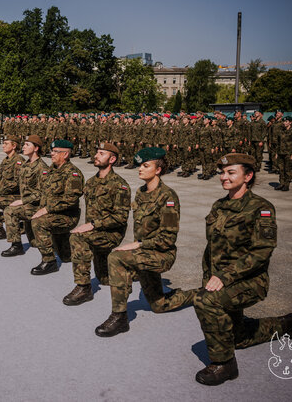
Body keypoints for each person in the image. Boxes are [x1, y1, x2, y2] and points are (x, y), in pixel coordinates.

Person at [192, 153, 292, 385]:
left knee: (204, 301)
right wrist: (209, 277)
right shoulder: (219, 205)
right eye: (222, 172)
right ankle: (285, 324)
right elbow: (212, 249)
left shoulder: (261, 208)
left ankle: (225, 364)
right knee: (238, 337)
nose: (224, 177)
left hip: (249, 281)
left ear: (248, 176)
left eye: (231, 172)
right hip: (221, 281)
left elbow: (262, 251)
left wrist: (223, 276)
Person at [95, 147, 192, 337]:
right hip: (146, 253)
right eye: (140, 165)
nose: (140, 169)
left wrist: (137, 245)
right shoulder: (140, 192)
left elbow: (168, 238)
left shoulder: (168, 197)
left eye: (146, 165)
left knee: (116, 258)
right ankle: (198, 295)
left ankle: (119, 317)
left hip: (161, 254)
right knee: (159, 306)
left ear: (158, 170)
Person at [63, 142, 131, 305]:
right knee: (105, 278)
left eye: (101, 153)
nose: (96, 156)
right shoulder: (91, 182)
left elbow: (121, 217)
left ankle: (84, 288)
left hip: (111, 233)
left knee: (78, 238)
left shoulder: (119, 185)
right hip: (96, 231)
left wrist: (93, 225)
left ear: (112, 159)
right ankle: (123, 271)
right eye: (97, 153)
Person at [29, 139, 83, 275]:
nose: (51, 154)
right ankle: (64, 251)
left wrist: (46, 209)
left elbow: (71, 200)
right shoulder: (50, 170)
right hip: (53, 213)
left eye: (55, 152)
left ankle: (49, 261)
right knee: (66, 256)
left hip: (67, 216)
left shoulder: (73, 174)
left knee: (38, 223)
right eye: (52, 151)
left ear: (65, 155)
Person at [1, 135, 49, 257]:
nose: (23, 147)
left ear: (36, 148)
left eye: (27, 145)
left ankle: (16, 246)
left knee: (10, 211)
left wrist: (22, 201)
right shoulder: (25, 165)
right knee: (34, 242)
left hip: (36, 206)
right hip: (28, 204)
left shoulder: (42, 168)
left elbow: (42, 193)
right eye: (24, 144)